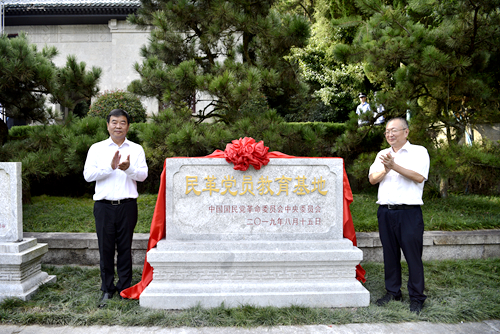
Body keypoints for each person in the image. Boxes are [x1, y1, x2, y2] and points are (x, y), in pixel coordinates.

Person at [83, 109, 148, 308]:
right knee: (106, 248)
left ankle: (124, 287)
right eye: (114, 122)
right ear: (107, 125)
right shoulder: (97, 148)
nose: (118, 126)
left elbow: (143, 175)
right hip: (103, 206)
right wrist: (109, 168)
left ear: (128, 126)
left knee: (125, 248)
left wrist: (128, 169)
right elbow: (88, 175)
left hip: (127, 206)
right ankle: (107, 288)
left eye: (122, 122)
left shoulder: (136, 149)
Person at [368, 117, 430, 314]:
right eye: (387, 131)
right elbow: (372, 179)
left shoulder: (418, 152)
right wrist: (386, 169)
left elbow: (419, 177)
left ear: (406, 132)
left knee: (413, 256)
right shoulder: (382, 154)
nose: (389, 134)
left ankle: (417, 297)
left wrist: (395, 167)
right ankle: (393, 292)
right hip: (385, 212)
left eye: (394, 130)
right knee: (390, 254)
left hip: (409, 213)